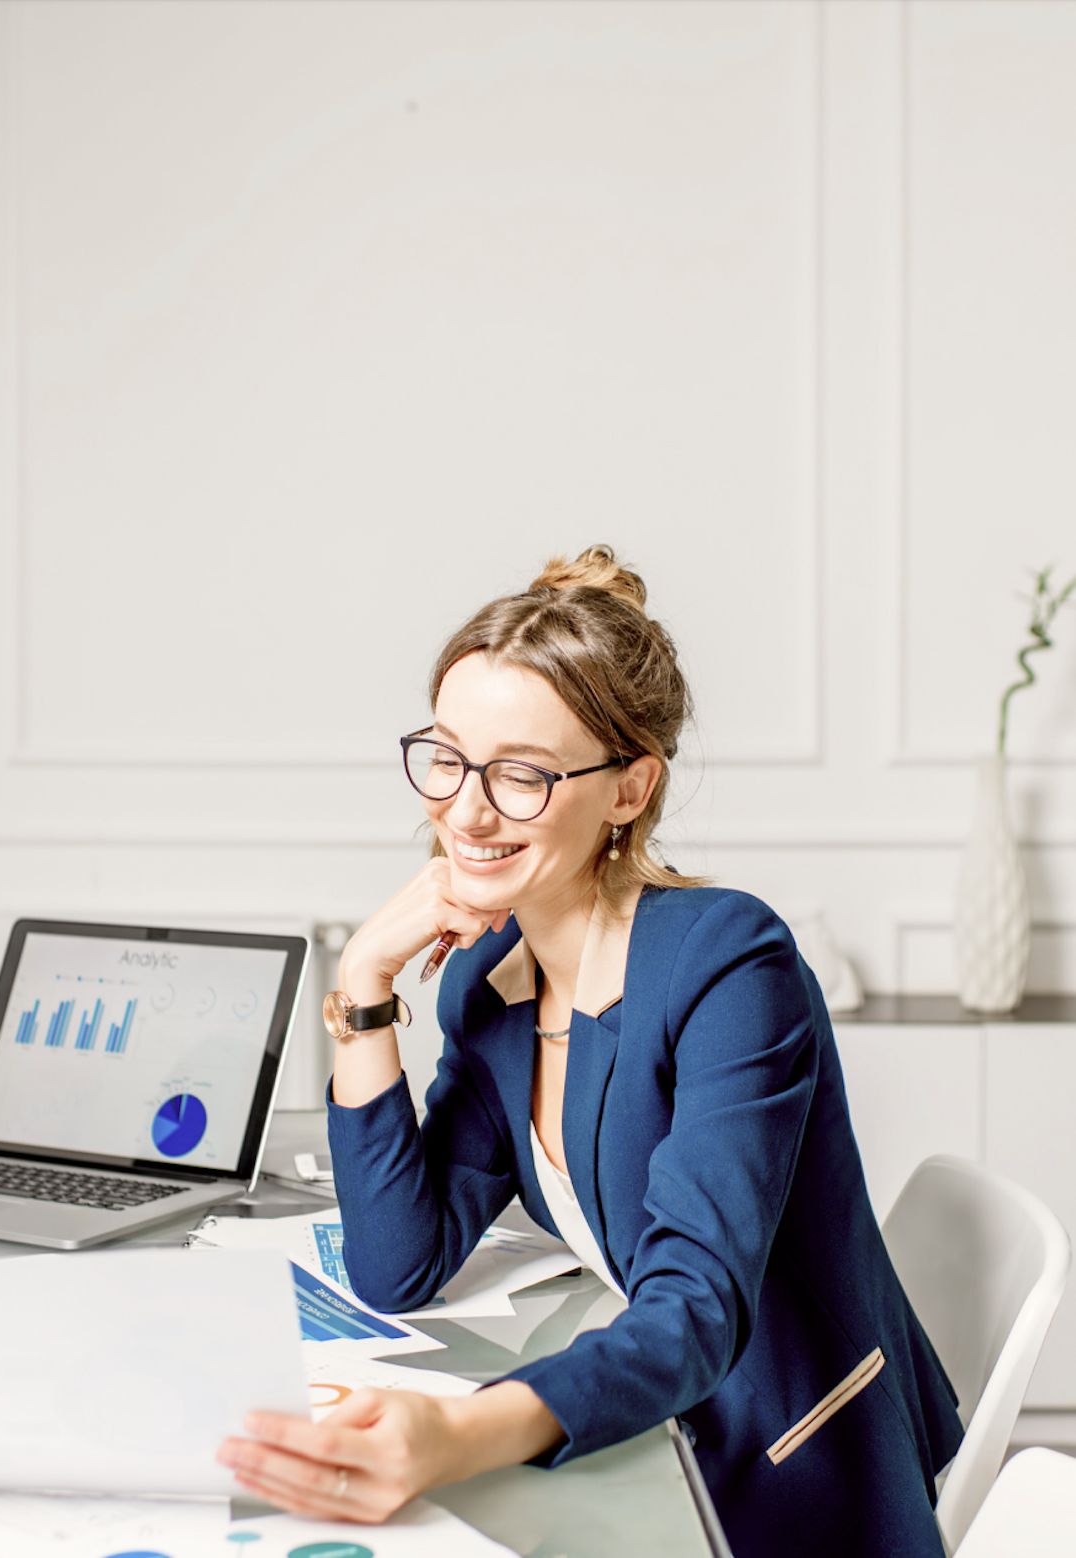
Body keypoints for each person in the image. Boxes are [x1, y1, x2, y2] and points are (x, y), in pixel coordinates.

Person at [219, 548, 963, 1558]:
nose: (468, 810)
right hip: (641, 1438)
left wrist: (455, 1433)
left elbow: (694, 1308)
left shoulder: (730, 963)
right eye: (448, 756)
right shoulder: (492, 985)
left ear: (628, 789)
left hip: (786, 1477)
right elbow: (400, 1262)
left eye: (522, 773)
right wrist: (361, 986)